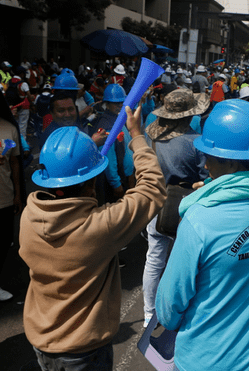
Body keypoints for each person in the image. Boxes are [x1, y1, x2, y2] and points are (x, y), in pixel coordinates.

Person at [156, 99, 249, 371]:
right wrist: (214, 188)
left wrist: (208, 193)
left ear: (229, 162)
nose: (205, 164)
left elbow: (168, 308)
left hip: (202, 361)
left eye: (208, 155)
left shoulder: (200, 219)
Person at [19, 106, 166, 371]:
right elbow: (153, 188)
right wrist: (136, 134)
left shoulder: (30, 215)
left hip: (41, 339)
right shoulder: (99, 227)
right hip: (82, 351)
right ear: (91, 182)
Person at [142, 89, 209, 327]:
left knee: (154, 259)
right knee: (184, 263)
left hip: (156, 203)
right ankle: (177, 313)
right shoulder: (195, 142)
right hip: (187, 206)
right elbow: (205, 176)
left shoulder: (154, 137)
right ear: (189, 115)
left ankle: (149, 313)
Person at [0, 81, 22, 302]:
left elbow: (16, 163)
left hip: (3, 197)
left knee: (0, 244)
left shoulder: (9, 128)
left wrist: (18, 194)